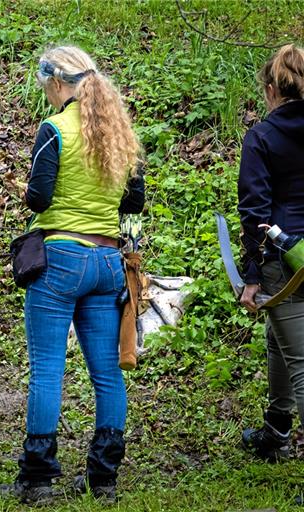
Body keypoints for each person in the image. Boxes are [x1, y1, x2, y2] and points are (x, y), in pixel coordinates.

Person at [0, 45, 144, 505]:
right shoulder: (121, 134)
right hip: (107, 263)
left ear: (57, 83)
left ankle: (38, 479)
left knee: (46, 371)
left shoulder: (54, 128)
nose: (46, 96)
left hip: (59, 259)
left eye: (46, 88)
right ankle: (103, 479)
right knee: (106, 374)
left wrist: (27, 187)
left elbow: (39, 200)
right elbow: (133, 206)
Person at [238, 44, 304, 463]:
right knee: (279, 342)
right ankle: (277, 431)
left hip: (285, 261)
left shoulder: (262, 136)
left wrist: (251, 275)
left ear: (270, 90)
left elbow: (255, 213)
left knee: (301, 360)